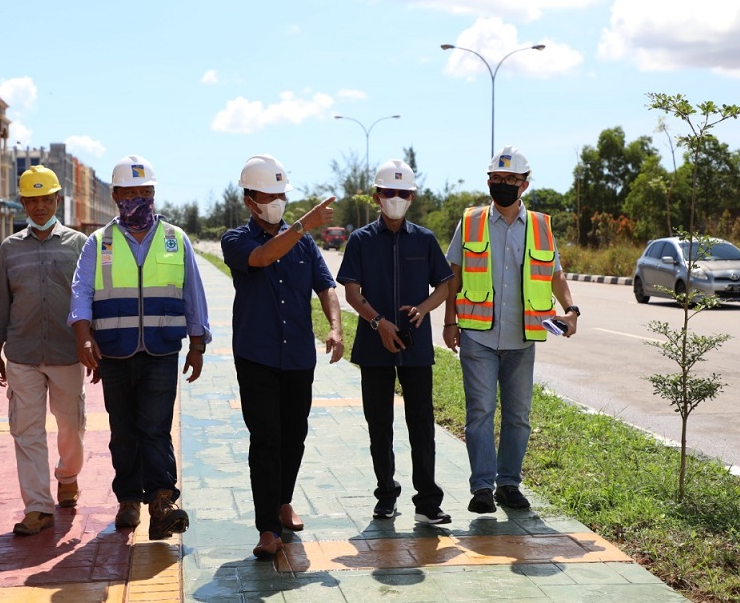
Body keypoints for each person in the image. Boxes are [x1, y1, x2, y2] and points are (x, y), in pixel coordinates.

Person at [69, 155, 210, 541]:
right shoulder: (98, 243)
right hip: (114, 351)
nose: (137, 199)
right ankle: (129, 499)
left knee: (155, 428)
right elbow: (81, 291)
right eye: (129, 193)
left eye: (144, 192)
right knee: (124, 430)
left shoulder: (175, 239)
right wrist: (83, 334)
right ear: (115, 195)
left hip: (162, 350)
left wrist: (197, 343)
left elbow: (192, 293)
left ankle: (162, 501)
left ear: (153, 193)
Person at [441, 147, 579, 514]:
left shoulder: (541, 226)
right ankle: (482, 488)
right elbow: (452, 275)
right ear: (489, 181)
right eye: (495, 179)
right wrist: (449, 320)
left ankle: (509, 484)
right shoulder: (469, 222)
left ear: (524, 184)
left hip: (522, 337)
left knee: (518, 416)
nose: (501, 185)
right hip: (477, 335)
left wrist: (571, 309)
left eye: (509, 180)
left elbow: (555, 275)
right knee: (480, 412)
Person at [221, 154, 344, 559]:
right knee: (266, 439)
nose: (275, 201)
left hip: (298, 359)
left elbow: (326, 286)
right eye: (267, 195)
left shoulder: (305, 244)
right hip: (256, 357)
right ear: (249, 200)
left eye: (280, 194)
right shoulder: (236, 240)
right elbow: (263, 257)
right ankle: (267, 528)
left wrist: (336, 327)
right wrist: (303, 225)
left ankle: (283, 500)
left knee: (294, 436)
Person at [336, 159, 454, 525]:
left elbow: (447, 284)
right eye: (389, 193)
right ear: (377, 196)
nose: (396, 199)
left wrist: (424, 308)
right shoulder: (360, 241)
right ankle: (386, 494)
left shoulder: (425, 239)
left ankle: (427, 502)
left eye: (404, 193)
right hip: (374, 347)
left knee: (422, 423)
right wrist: (379, 322)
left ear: (413, 197)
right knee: (379, 424)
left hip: (416, 348)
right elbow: (352, 292)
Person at [0, 166, 89, 536]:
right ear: (24, 204)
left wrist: (92, 341)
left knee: (71, 425)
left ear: (57, 200)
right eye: (32, 200)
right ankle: (37, 506)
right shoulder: (10, 248)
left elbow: (88, 296)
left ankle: (68, 475)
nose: (40, 207)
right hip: (22, 353)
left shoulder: (79, 244)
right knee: (26, 431)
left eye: (46, 199)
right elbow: (2, 301)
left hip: (67, 352)